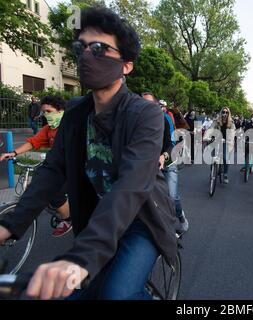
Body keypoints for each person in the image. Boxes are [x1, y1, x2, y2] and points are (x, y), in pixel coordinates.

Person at [0, 7, 177, 300]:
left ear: (126, 65)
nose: (85, 56)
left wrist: (80, 259)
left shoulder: (145, 114)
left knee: (116, 294)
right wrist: (9, 224)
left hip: (140, 220)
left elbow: (131, 186)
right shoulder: (75, 112)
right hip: (97, 219)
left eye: (99, 48)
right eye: (80, 48)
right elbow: (53, 171)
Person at [1, 96, 72, 237]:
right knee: (41, 186)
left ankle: (68, 219)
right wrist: (13, 152)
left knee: (54, 191)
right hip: (57, 168)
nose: (46, 115)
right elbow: (33, 142)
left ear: (61, 110)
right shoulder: (48, 129)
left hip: (74, 169)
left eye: (49, 111)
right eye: (44, 112)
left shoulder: (70, 125)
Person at [142, 94, 189, 234]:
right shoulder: (135, 120)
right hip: (146, 164)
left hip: (168, 161)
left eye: (148, 104)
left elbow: (170, 144)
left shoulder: (165, 119)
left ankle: (180, 217)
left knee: (172, 196)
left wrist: (163, 157)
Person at [203, 107, 236, 184]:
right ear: (221, 113)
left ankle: (225, 174)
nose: (224, 114)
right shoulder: (216, 121)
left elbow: (232, 133)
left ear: (229, 114)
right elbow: (210, 129)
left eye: (226, 112)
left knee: (225, 157)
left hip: (226, 142)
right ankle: (213, 172)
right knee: (213, 156)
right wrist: (206, 137)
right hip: (217, 140)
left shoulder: (231, 123)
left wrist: (229, 139)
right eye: (223, 112)